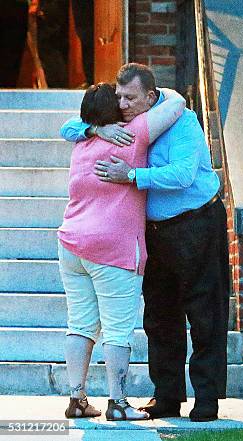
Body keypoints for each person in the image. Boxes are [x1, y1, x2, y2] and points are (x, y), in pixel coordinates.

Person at [59, 63, 229, 422]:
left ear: (151, 97)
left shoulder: (180, 121)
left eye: (130, 97)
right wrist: (95, 127)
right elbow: (69, 127)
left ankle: (207, 399)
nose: (122, 103)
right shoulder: (120, 128)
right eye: (118, 96)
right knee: (159, 315)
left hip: (195, 222)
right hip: (153, 231)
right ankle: (166, 396)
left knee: (204, 313)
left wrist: (132, 175)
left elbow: (183, 175)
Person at [58, 81, 186, 420]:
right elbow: (177, 103)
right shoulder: (133, 134)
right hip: (113, 249)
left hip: (71, 243)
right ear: (114, 111)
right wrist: (153, 90)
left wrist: (94, 127)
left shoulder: (83, 140)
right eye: (120, 99)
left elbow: (68, 126)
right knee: (116, 329)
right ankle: (117, 404)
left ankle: (77, 398)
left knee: (81, 324)